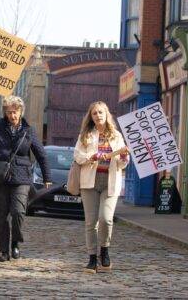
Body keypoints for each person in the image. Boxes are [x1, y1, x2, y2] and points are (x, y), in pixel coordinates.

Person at [0, 95, 52, 262]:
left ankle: (15, 242)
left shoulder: (29, 131)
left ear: (21, 112)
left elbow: (41, 155)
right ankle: (4, 251)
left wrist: (47, 177)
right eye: (9, 112)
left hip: (21, 177)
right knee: (2, 216)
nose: (12, 116)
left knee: (18, 212)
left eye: (15, 112)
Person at [73, 101, 129, 273]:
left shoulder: (116, 136)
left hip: (110, 183)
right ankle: (91, 258)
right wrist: (92, 155)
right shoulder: (86, 135)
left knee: (106, 219)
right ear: (91, 116)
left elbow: (121, 163)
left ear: (107, 115)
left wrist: (124, 158)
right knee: (91, 222)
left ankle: (104, 250)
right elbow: (77, 156)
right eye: (94, 113)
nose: (98, 116)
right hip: (90, 182)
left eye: (101, 113)